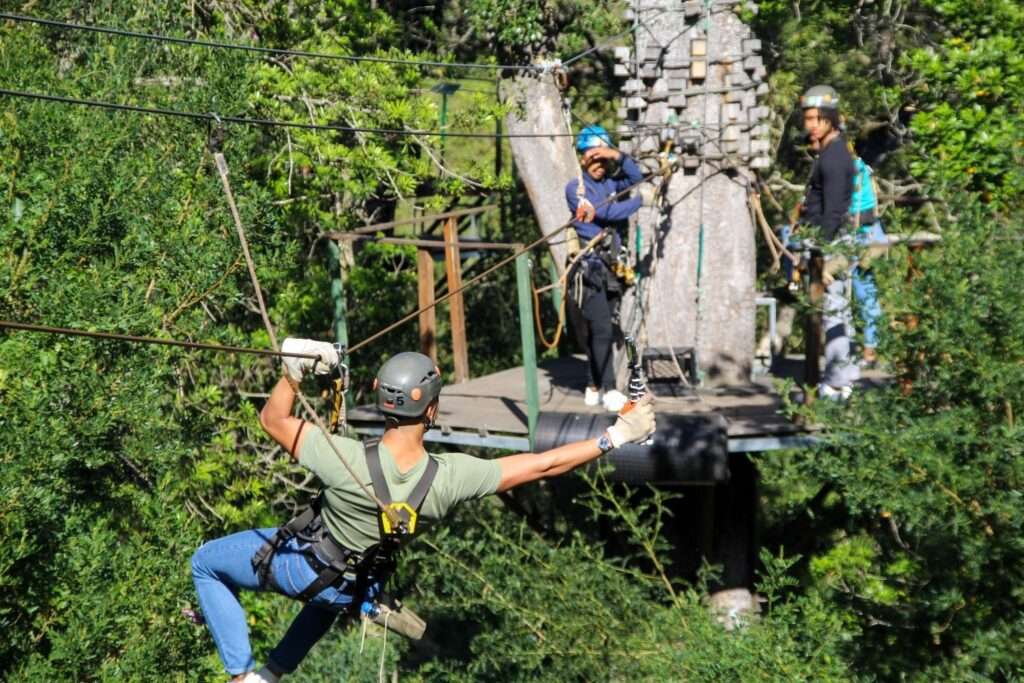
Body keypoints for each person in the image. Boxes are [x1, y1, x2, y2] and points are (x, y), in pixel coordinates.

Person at [191, 339, 656, 682]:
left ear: (379, 396)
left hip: (304, 568)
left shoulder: (343, 458)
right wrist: (614, 435)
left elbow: (273, 419)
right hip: (349, 590)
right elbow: (543, 465)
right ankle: (271, 674)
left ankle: (242, 674)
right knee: (330, 589)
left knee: (206, 564)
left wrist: (293, 369)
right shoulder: (451, 477)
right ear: (431, 411)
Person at [563, 125, 651, 412]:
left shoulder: (610, 184)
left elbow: (636, 177)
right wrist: (640, 202)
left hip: (610, 267)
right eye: (595, 159)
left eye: (604, 161)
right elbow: (607, 212)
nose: (600, 165)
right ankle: (611, 389)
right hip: (587, 270)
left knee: (601, 331)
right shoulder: (576, 189)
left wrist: (616, 154)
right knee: (600, 329)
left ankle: (593, 383)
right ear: (584, 158)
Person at [797, 84, 862, 400]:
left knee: (834, 310)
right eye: (807, 118)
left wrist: (822, 253)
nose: (810, 124)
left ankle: (838, 382)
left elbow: (835, 209)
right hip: (827, 240)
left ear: (831, 119)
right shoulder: (830, 150)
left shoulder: (836, 156)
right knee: (833, 310)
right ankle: (841, 376)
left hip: (832, 242)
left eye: (816, 118)